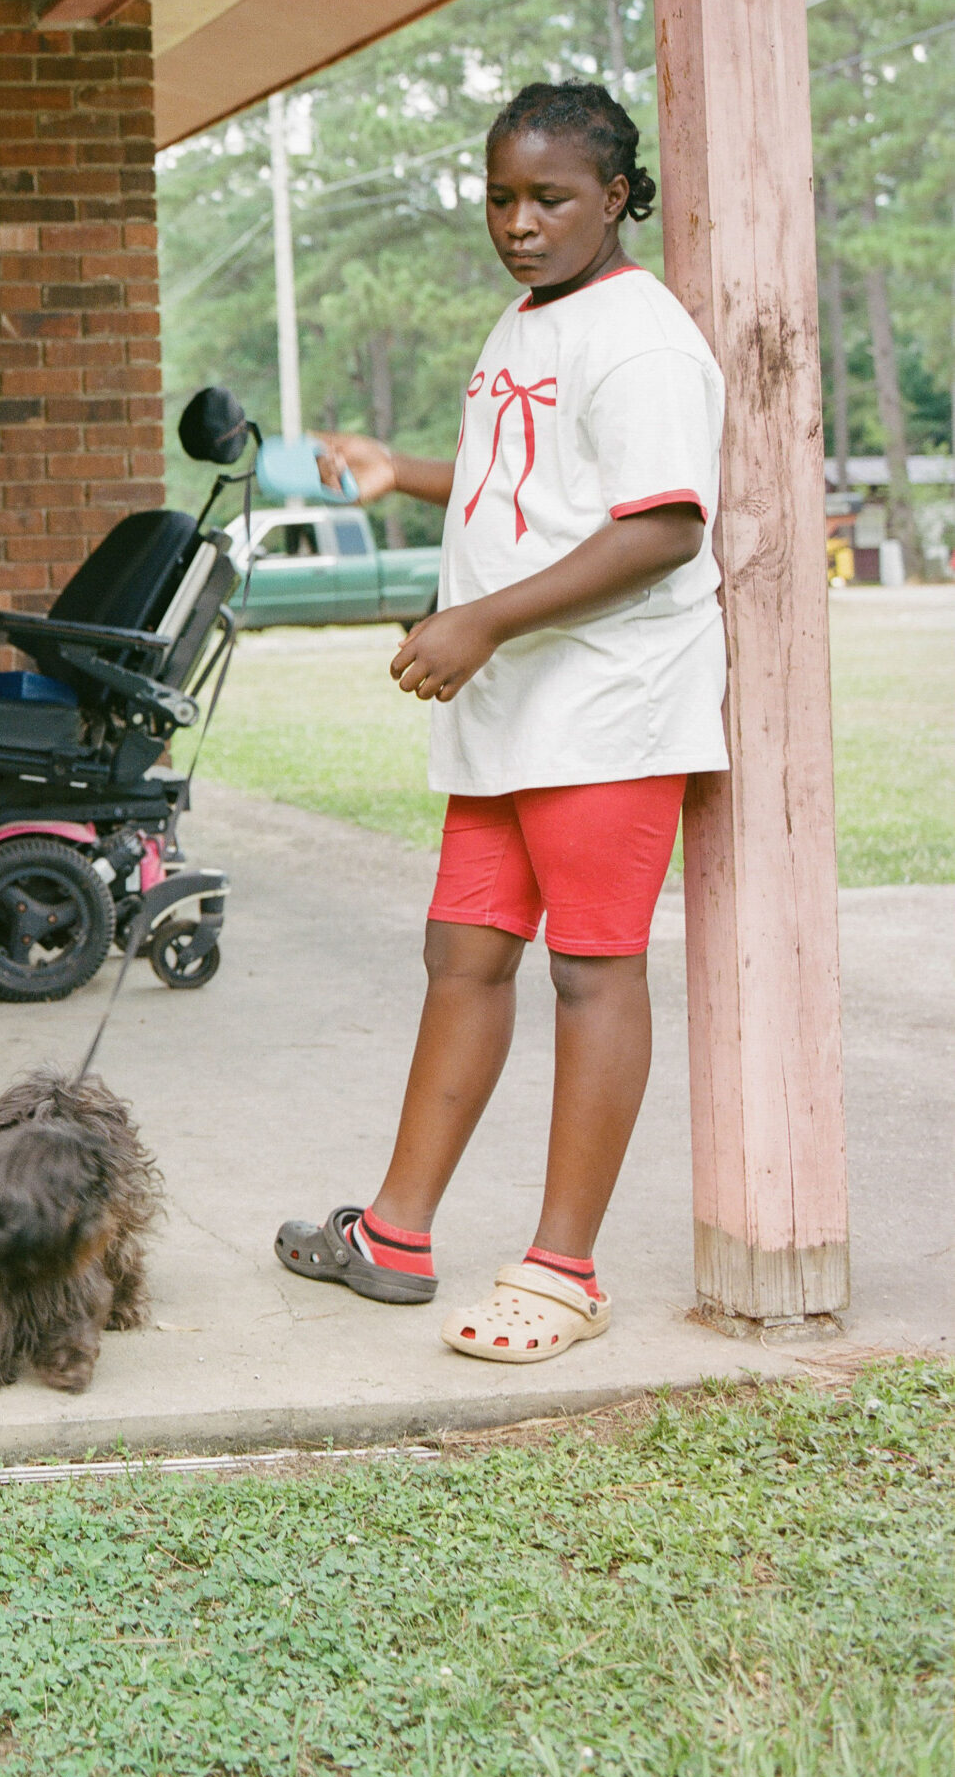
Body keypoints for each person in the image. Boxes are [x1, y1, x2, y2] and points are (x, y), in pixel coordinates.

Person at [276, 83, 726, 1365]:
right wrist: (401, 472)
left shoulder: (639, 335)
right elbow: (525, 477)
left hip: (605, 705)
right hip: (514, 706)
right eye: (498, 199)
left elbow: (658, 523)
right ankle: (394, 1234)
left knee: (591, 968)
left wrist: (474, 623)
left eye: (549, 200)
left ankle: (563, 1268)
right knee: (461, 955)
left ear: (616, 198)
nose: (518, 224)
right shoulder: (531, 317)